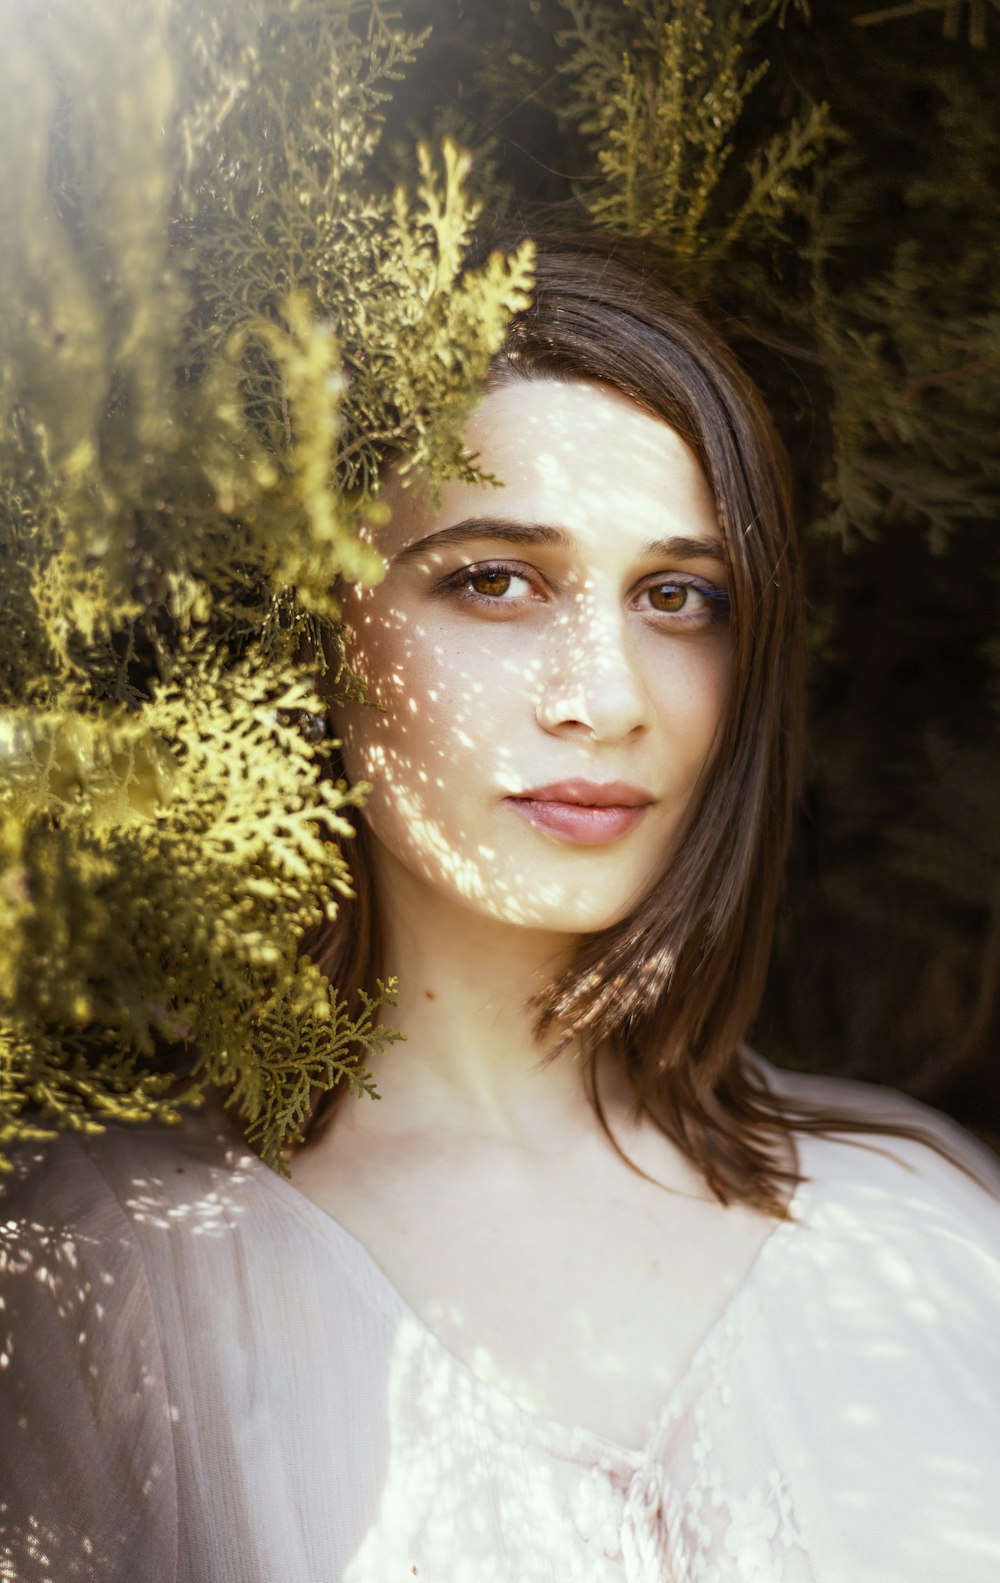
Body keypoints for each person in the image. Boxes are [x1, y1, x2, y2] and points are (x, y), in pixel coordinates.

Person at [2, 232, 999, 1583]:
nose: (609, 696)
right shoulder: (110, 1278)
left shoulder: (929, 1237)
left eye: (678, 596)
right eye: (495, 580)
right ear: (321, 623)